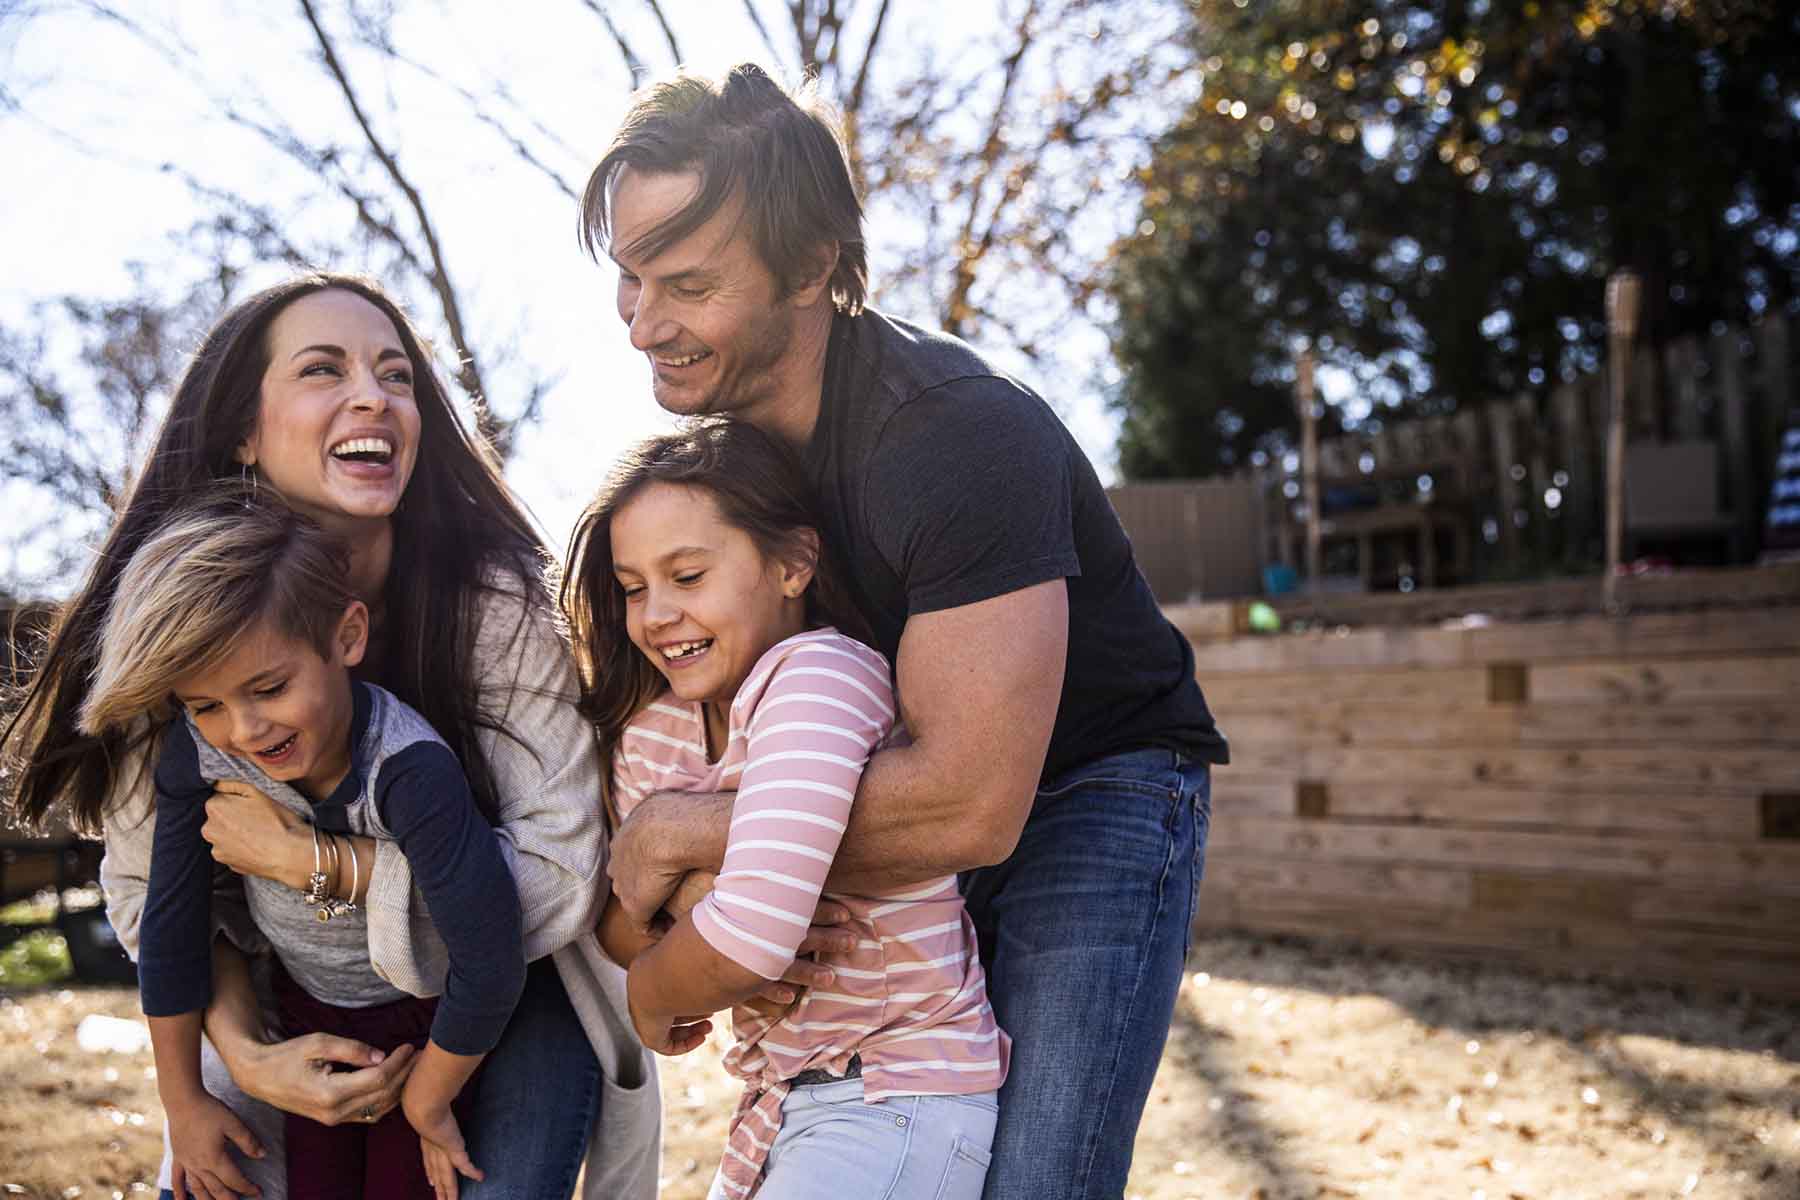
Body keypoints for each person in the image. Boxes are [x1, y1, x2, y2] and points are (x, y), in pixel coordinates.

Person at [580, 64, 1230, 1199]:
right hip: (887, 784)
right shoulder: (726, 471)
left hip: (1092, 790)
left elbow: (972, 804)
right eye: (630, 281)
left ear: (814, 267)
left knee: (1035, 1176)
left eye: (685, 284)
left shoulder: (955, 436)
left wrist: (684, 836)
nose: (644, 326)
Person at [0, 273, 659, 1200]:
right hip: (287, 992)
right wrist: (242, 1054)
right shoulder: (179, 614)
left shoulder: (496, 601)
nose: (372, 395)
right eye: (324, 369)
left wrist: (322, 863)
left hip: (504, 991)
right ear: (242, 429)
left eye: (397, 374)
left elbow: (556, 877)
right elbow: (154, 890)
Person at [563, 422, 1008, 1200]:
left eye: (689, 575)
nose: (656, 613)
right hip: (784, 1102)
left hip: (898, 1090)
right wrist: (684, 930)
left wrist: (653, 991)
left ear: (792, 563)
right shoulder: (655, 735)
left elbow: (748, 940)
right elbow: (623, 913)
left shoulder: (820, 677)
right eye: (635, 588)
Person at [79, 485, 524, 1200]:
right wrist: (183, 1100)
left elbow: (491, 957)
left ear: (347, 637)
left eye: (269, 687)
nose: (245, 730)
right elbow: (173, 927)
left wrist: (429, 1097)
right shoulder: (198, 754)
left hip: (426, 1025)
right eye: (207, 706)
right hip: (304, 1013)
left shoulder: (409, 771)